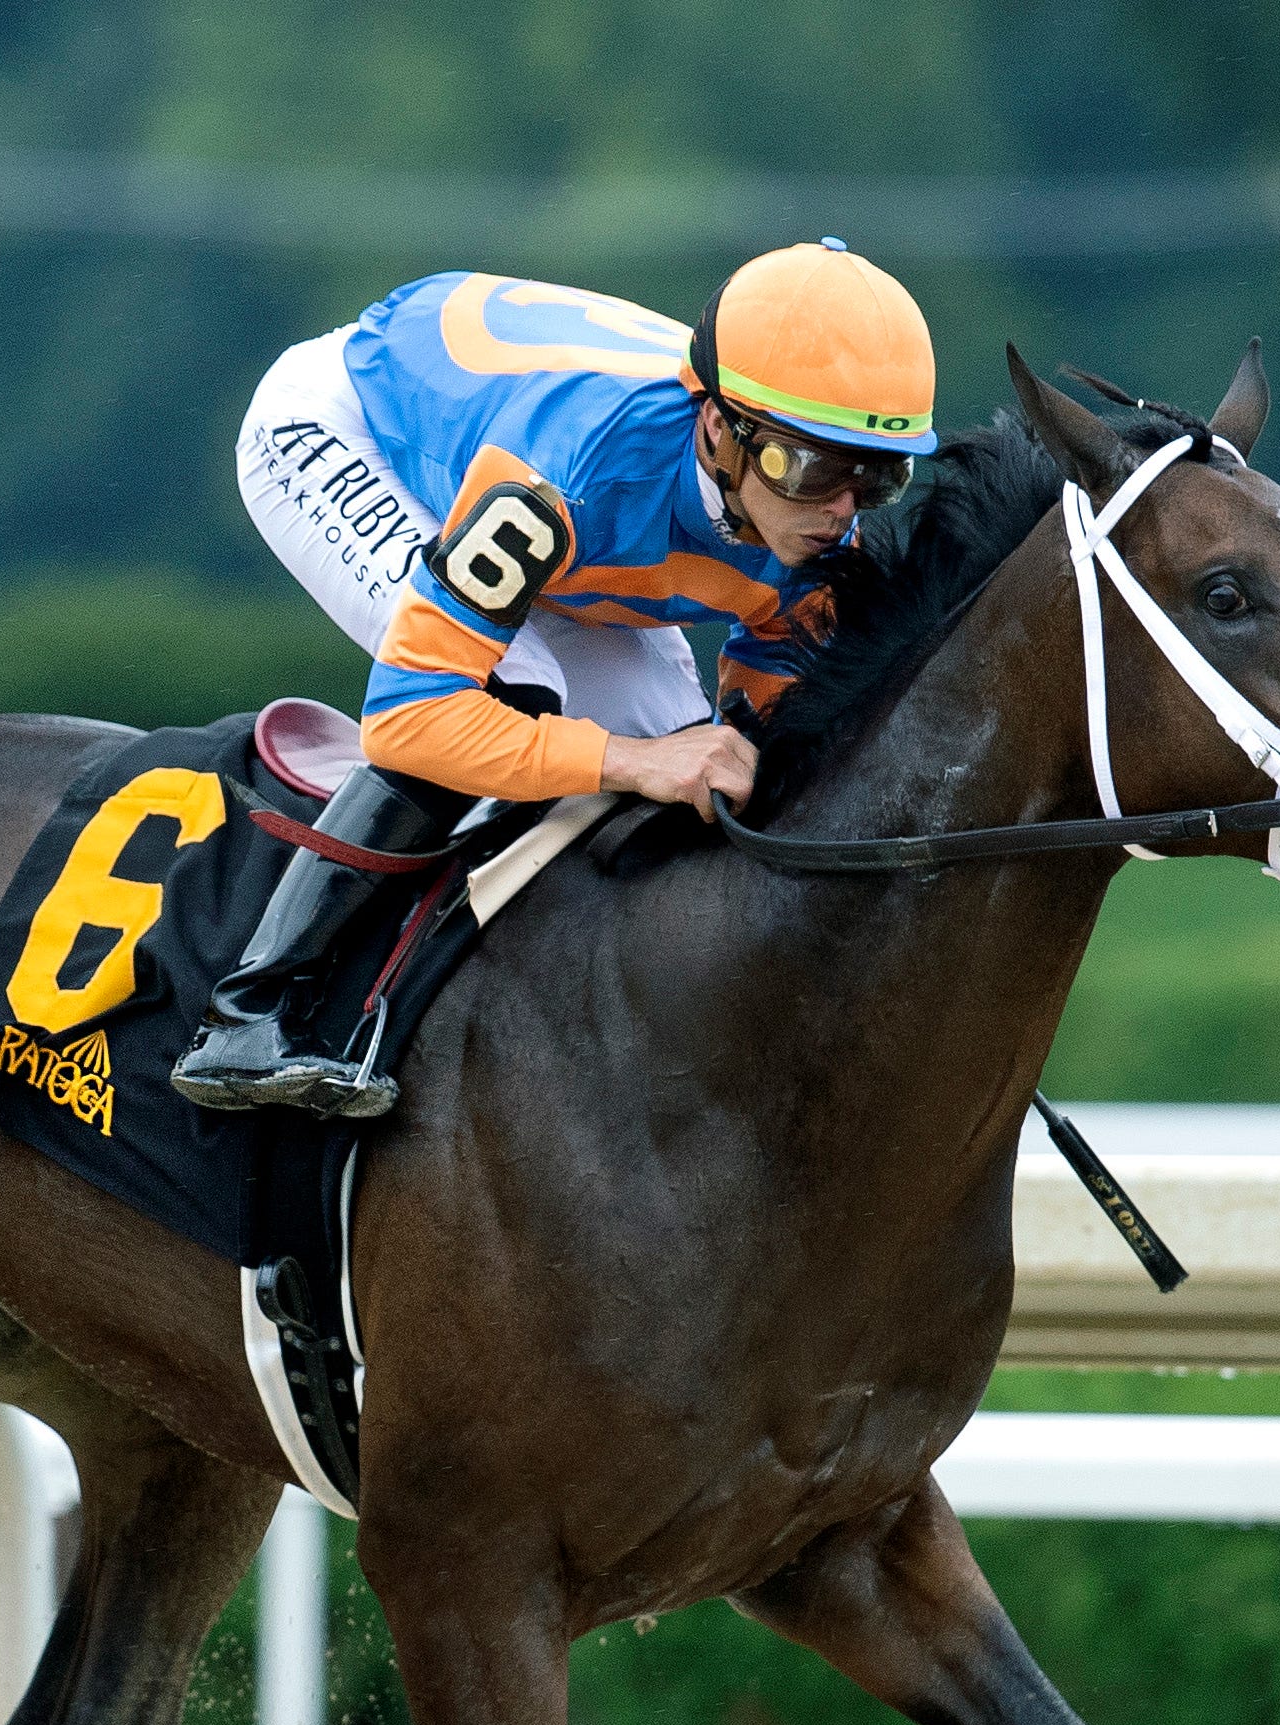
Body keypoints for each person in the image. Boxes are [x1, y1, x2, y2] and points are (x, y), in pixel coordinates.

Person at [172, 241, 938, 1118]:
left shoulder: (815, 541)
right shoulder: (562, 473)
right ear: (721, 432)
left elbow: (754, 736)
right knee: (515, 689)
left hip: (578, 530)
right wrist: (627, 761)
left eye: (876, 477)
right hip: (353, 429)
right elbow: (412, 722)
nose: (840, 508)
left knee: (693, 758)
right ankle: (250, 1010)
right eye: (809, 468)